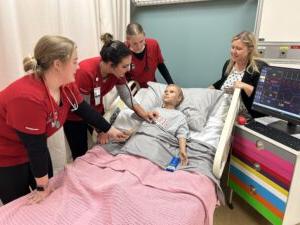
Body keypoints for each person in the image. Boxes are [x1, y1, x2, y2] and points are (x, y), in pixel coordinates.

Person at [0, 35, 127, 205]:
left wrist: (111, 130)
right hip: (6, 155)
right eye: (74, 61)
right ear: (58, 65)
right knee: (19, 205)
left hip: (35, 149)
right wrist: (42, 187)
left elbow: (84, 110)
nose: (79, 66)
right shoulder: (28, 98)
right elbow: (35, 147)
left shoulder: (65, 85)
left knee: (47, 197)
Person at [64, 33, 158, 159]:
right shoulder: (85, 72)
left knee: (103, 146)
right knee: (80, 154)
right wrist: (103, 129)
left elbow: (127, 97)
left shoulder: (117, 73)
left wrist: (144, 113)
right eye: (124, 66)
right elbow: (84, 110)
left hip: (96, 111)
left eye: (129, 65)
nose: (128, 69)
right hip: (75, 117)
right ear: (110, 64)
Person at [209, 31, 268, 118]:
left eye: (239, 49)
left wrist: (244, 86)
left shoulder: (259, 68)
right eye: (232, 47)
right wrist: (206, 91)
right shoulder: (229, 64)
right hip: (223, 111)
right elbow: (222, 81)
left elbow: (264, 99)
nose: (234, 51)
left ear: (250, 49)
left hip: (245, 117)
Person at [125, 22, 174, 88]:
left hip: (152, 86)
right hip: (134, 88)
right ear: (127, 39)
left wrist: (171, 84)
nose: (139, 46)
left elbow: (161, 65)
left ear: (144, 35)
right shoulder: (123, 51)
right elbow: (121, 75)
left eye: (141, 41)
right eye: (135, 44)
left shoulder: (153, 45)